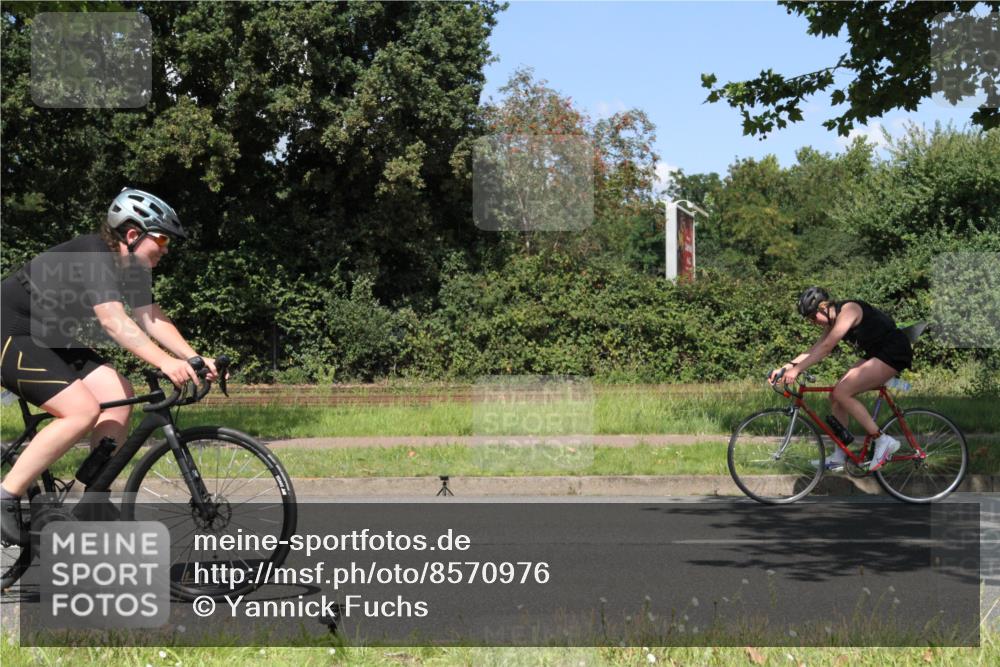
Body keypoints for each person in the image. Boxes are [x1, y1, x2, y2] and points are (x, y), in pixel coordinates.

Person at [1, 188, 218, 546]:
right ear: (133, 234)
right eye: (161, 239)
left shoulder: (130, 267)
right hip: (10, 331)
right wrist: (165, 362)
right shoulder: (94, 254)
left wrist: (193, 358)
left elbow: (149, 318)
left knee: (120, 392)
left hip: (50, 336)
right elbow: (114, 321)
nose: (166, 248)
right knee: (81, 411)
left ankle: (93, 500)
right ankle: (6, 494)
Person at [769, 286, 913, 473]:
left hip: (894, 351)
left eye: (813, 317)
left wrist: (797, 370)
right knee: (835, 398)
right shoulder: (832, 322)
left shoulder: (849, 310)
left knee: (842, 392)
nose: (813, 322)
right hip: (875, 354)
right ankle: (839, 455)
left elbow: (827, 347)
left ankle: (882, 440)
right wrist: (786, 367)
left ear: (823, 307)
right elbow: (814, 349)